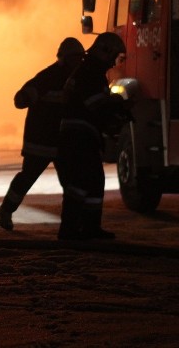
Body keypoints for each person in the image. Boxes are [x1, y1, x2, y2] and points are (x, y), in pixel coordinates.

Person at [0, 38, 85, 231]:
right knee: (27, 178)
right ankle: (6, 211)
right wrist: (27, 95)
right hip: (41, 142)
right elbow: (20, 99)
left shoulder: (79, 79)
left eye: (80, 58)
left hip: (62, 142)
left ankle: (72, 223)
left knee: (71, 184)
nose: (78, 62)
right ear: (64, 59)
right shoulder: (48, 76)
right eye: (75, 58)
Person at [56, 32, 130, 240]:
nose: (115, 62)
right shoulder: (91, 73)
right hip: (80, 137)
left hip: (78, 135)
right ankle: (70, 229)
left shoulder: (86, 70)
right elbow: (96, 106)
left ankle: (88, 228)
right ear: (105, 52)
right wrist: (117, 106)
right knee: (82, 183)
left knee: (94, 181)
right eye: (115, 56)